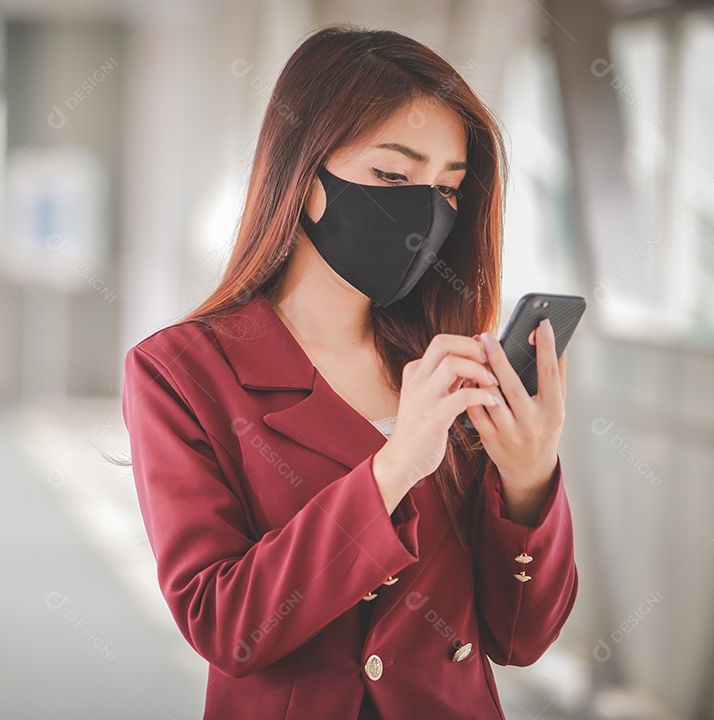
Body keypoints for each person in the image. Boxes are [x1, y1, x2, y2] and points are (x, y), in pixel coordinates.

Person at [120, 24, 577, 719]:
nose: (426, 213)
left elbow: (520, 637)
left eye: (448, 188)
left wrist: (530, 476)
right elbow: (227, 625)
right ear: (305, 178)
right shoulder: (181, 373)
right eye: (393, 176)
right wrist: (395, 467)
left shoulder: (445, 360)